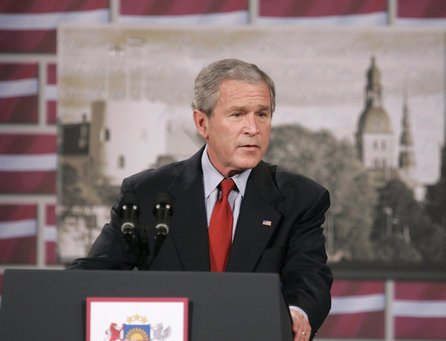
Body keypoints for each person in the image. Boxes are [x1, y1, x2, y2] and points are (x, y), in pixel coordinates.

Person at [69, 59, 332, 340]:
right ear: (202, 123)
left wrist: (297, 313)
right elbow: (97, 272)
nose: (253, 128)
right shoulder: (145, 194)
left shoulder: (300, 199)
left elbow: (309, 276)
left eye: (262, 114)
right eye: (238, 115)